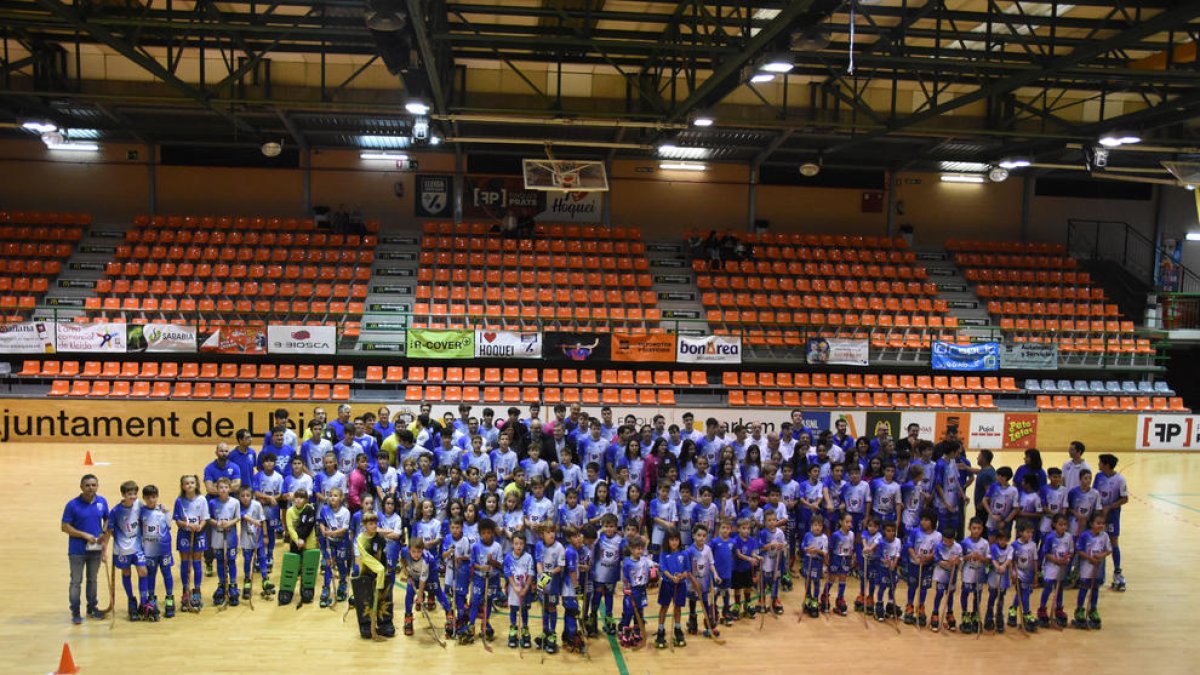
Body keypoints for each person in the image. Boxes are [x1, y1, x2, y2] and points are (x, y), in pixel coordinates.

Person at [62, 474, 110, 624]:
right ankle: (75, 611)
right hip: (77, 551)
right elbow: (64, 526)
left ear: (97, 486)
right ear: (81, 487)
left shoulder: (102, 502)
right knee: (76, 581)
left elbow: (107, 519)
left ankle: (92, 608)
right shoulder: (72, 505)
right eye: (87, 485)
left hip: (95, 549)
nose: (91, 488)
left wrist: (103, 534)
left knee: (92, 580)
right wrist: (83, 535)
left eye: (94, 485)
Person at [109, 480, 151, 621]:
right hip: (123, 549)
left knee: (143, 571)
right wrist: (105, 547)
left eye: (134, 494)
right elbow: (109, 529)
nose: (132, 496)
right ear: (123, 494)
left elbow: (147, 511)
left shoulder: (138, 504)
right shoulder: (115, 511)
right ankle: (131, 601)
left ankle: (143, 602)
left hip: (137, 547)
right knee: (126, 572)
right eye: (129, 494)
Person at [352, 511, 396, 639]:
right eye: (371, 523)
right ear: (365, 525)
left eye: (375, 523)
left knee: (384, 596)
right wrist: (379, 569)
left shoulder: (380, 538)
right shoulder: (361, 539)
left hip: (380, 573)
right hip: (367, 572)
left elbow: (383, 555)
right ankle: (366, 624)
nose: (374, 525)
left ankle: (385, 623)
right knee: (365, 599)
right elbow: (365, 558)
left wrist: (383, 571)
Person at [172, 474, 209, 612]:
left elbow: (205, 517)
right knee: (185, 562)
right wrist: (187, 525)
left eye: (192, 482)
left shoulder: (202, 500)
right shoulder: (179, 501)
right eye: (186, 483)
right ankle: (185, 589)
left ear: (197, 484)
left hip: (199, 534)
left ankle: (197, 590)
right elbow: (176, 519)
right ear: (182, 486)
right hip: (184, 534)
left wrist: (200, 526)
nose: (189, 485)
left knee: (197, 561)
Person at [139, 485, 175, 618]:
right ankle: (151, 598)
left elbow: (170, 526)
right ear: (143, 498)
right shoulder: (141, 512)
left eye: (153, 497)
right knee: (151, 575)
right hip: (149, 551)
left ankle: (170, 598)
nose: (151, 500)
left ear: (157, 497)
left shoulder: (163, 511)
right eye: (148, 498)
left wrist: (167, 512)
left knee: (167, 573)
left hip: (164, 549)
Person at [1094, 453, 1128, 591]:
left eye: (1100, 462)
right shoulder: (1098, 476)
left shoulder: (1120, 479)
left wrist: (1110, 507)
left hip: (1112, 516)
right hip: (1099, 515)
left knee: (1113, 543)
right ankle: (1097, 572)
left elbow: (1125, 499)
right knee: (1097, 541)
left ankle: (1117, 572)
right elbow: (1094, 492)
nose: (1098, 465)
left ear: (1106, 465)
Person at [278, 488, 319, 606]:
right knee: (293, 567)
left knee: (308, 567)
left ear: (306, 499)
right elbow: (290, 528)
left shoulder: (310, 509)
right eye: (296, 497)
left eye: (301, 497)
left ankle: (307, 589)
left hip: (309, 543)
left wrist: (303, 540)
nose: (298, 500)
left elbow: (309, 526)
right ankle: (287, 590)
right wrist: (297, 540)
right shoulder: (290, 511)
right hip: (296, 543)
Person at [207, 477, 241, 608]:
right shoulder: (212, 503)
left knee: (231, 561)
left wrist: (229, 523)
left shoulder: (235, 502)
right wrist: (218, 523)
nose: (223, 490)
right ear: (216, 489)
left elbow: (237, 517)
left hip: (231, 537)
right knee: (220, 561)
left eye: (226, 487)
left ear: (230, 489)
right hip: (217, 537)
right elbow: (208, 518)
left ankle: (232, 585)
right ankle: (221, 584)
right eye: (220, 487)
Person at [1074, 514, 1111, 629]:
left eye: (1102, 524)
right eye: (1098, 523)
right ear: (1091, 524)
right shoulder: (1085, 536)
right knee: (1084, 588)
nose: (1101, 526)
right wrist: (1090, 558)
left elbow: (1109, 550)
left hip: (1098, 568)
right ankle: (1079, 609)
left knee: (1095, 588)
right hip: (1086, 567)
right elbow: (1079, 550)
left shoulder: (1104, 536)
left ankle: (1093, 609)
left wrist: (1101, 555)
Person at [903, 510, 938, 626]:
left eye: (926, 520)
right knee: (912, 586)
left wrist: (928, 558)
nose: (923, 522)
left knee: (923, 588)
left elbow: (936, 551)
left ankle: (921, 607)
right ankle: (909, 607)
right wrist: (916, 558)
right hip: (914, 564)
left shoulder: (937, 536)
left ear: (932, 522)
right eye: (922, 519)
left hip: (927, 566)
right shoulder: (915, 532)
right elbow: (909, 546)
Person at [654, 528, 688, 649]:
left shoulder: (684, 554)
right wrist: (671, 577)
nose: (674, 542)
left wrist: (682, 576)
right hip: (667, 584)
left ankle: (677, 629)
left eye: (676, 540)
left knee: (678, 607)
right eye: (671, 540)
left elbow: (687, 570)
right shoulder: (664, 553)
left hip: (680, 585)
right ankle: (661, 630)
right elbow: (663, 569)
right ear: (667, 541)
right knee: (664, 607)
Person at [535, 523, 566, 654]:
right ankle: (545, 630)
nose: (551, 534)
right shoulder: (538, 545)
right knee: (543, 606)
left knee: (551, 607)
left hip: (553, 583)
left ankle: (552, 633)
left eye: (553, 531)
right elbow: (538, 562)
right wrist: (542, 575)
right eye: (548, 532)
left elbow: (560, 567)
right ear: (542, 534)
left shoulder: (559, 547)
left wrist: (548, 574)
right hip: (542, 580)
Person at [1038, 514, 1073, 629]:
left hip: (1062, 566)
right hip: (1051, 567)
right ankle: (1042, 609)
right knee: (1048, 588)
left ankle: (1058, 609)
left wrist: (1066, 559)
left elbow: (1071, 551)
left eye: (1065, 525)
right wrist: (1056, 561)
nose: (1063, 527)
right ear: (1054, 525)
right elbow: (1046, 553)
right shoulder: (1049, 537)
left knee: (1060, 589)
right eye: (1060, 524)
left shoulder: (1069, 537)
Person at [238, 485, 272, 602]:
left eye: (247, 495)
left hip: (258, 538)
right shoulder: (239, 506)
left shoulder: (257, 505)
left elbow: (262, 521)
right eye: (242, 496)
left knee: (262, 558)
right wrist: (254, 521)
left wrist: (266, 535)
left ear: (252, 496)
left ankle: (265, 579)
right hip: (246, 540)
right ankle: (247, 580)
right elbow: (244, 517)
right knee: (247, 560)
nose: (245, 498)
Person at [618, 534, 651, 648]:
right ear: (631, 549)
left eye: (641, 548)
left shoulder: (644, 560)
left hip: (641, 591)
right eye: (637, 548)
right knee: (628, 613)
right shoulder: (627, 563)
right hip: (631, 592)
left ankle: (637, 632)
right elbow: (625, 578)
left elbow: (653, 566)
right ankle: (625, 633)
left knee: (639, 613)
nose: (640, 551)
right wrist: (627, 590)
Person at [958, 518, 989, 634]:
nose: (976, 531)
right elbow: (960, 558)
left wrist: (981, 558)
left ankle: (975, 614)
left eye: (979, 528)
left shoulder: (985, 543)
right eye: (974, 528)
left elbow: (988, 560)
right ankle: (965, 614)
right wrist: (969, 556)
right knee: (965, 594)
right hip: (967, 574)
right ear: (969, 528)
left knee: (977, 595)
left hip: (979, 575)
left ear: (982, 529)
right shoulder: (965, 543)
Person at [504, 533, 534, 648]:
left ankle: (525, 629)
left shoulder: (528, 557)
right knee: (513, 609)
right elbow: (508, 574)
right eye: (516, 543)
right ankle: (513, 629)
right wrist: (515, 587)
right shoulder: (508, 558)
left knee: (524, 610)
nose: (519, 546)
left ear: (524, 544)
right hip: (513, 589)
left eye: (521, 544)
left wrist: (526, 588)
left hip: (525, 589)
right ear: (512, 544)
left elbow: (531, 574)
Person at [929, 528, 962, 632]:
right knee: (939, 593)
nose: (948, 543)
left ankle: (949, 613)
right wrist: (944, 562)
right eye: (946, 540)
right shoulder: (939, 546)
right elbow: (936, 558)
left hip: (952, 575)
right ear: (943, 538)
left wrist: (957, 561)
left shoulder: (958, 547)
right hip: (941, 574)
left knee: (950, 595)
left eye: (950, 541)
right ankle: (935, 613)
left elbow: (960, 559)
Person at [984, 526, 1014, 634]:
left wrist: (1004, 566)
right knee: (992, 597)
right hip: (993, 577)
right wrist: (998, 567)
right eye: (1001, 539)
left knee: (1001, 599)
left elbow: (1009, 559)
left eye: (1005, 540)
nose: (1002, 542)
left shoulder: (1010, 548)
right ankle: (989, 617)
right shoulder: (993, 547)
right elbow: (992, 559)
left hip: (1004, 579)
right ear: (997, 539)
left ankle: (999, 617)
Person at [800, 516, 827, 618]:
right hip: (807, 561)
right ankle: (808, 597)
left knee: (816, 581)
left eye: (820, 525)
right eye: (815, 525)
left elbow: (825, 551)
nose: (817, 527)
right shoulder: (808, 535)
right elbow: (803, 546)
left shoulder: (824, 538)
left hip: (817, 562)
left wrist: (816, 550)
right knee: (807, 580)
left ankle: (815, 600)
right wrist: (807, 549)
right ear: (811, 526)